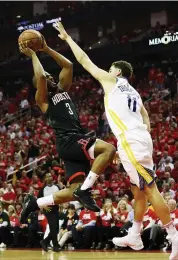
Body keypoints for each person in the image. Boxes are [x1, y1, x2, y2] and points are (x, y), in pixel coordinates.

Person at [53, 22, 178, 260]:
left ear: (117, 72)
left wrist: (68, 38)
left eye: (111, 69)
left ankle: (174, 235)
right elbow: (146, 119)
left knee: (149, 189)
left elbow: (84, 61)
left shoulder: (112, 82)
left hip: (131, 139)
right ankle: (136, 233)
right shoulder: (135, 93)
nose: (108, 72)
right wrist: (136, 140)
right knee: (137, 189)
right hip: (140, 138)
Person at [19, 37, 116, 222]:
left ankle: (35, 203)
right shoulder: (43, 100)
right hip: (69, 140)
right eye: (47, 78)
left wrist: (46, 48)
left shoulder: (62, 90)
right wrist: (32, 55)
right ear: (41, 86)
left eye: (50, 75)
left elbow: (68, 66)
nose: (50, 77)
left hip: (71, 144)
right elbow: (39, 76)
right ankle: (85, 190)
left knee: (72, 192)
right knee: (109, 149)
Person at [38, 172, 61, 252]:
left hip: (56, 208)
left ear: (52, 177)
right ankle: (55, 246)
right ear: (45, 179)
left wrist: (61, 205)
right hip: (48, 209)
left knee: (56, 229)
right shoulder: (42, 189)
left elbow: (61, 197)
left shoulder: (57, 187)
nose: (49, 178)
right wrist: (44, 207)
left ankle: (44, 241)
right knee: (53, 228)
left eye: (50, 176)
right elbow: (38, 200)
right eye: (47, 177)